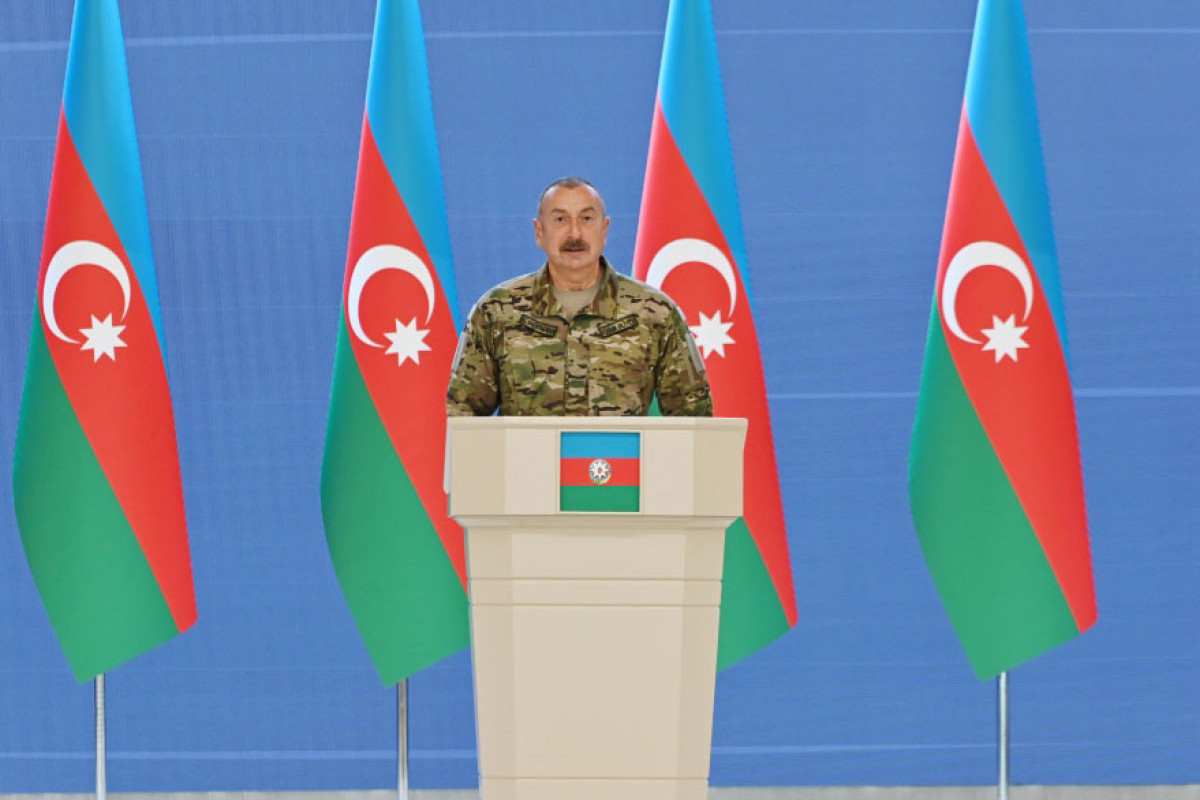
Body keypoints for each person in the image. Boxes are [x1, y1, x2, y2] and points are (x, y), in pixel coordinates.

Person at [446, 177, 712, 416]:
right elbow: (463, 414)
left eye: (586, 219)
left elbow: (693, 418)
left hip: (622, 458)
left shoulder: (654, 312)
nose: (575, 234)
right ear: (539, 232)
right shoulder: (497, 311)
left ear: (604, 230)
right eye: (560, 220)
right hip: (525, 459)